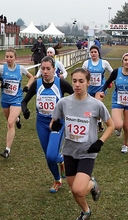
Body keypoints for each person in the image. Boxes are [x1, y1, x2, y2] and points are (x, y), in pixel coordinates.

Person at [50, 68, 114, 220]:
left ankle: (92, 184)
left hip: (87, 152)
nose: (77, 84)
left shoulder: (96, 105)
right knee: (74, 190)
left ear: (88, 83)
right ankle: (86, 211)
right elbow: (53, 123)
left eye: (81, 81)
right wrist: (54, 126)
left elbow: (111, 125)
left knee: (79, 190)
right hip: (69, 151)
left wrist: (100, 142)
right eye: (74, 81)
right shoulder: (63, 103)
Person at [22, 56, 73, 193]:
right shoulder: (37, 84)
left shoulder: (61, 83)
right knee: (48, 156)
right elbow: (24, 101)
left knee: (51, 155)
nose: (45, 71)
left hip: (57, 123)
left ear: (54, 70)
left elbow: (75, 96)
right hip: (42, 123)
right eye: (42, 68)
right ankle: (57, 179)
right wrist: (25, 109)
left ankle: (60, 159)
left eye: (48, 69)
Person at [0, 48, 34, 158]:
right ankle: (17, 118)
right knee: (10, 120)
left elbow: (31, 77)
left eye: (11, 57)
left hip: (17, 99)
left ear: (15, 58)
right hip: (5, 100)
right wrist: (1, 86)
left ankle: (7, 150)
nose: (8, 59)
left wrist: (27, 86)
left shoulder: (20, 69)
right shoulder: (1, 69)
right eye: (7, 57)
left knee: (10, 123)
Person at [98, 53, 128, 154]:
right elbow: (108, 81)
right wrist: (102, 91)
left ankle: (125, 144)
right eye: (125, 60)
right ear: (122, 61)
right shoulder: (116, 72)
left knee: (126, 127)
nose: (127, 62)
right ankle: (118, 129)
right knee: (117, 125)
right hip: (117, 101)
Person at [82, 45, 113, 132]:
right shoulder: (86, 63)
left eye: (95, 52)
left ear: (98, 53)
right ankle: (99, 121)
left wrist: (110, 81)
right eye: (91, 52)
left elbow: (112, 72)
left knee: (95, 105)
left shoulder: (104, 63)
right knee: (91, 107)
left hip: (101, 88)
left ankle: (93, 124)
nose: (93, 54)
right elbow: (81, 74)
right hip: (89, 89)